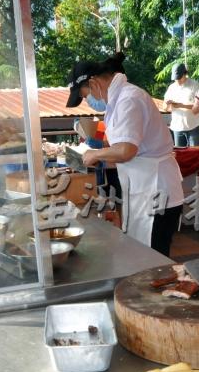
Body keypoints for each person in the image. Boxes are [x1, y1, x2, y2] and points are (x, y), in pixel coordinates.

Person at [66, 52, 184, 256]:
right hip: (144, 186)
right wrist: (101, 152)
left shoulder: (128, 99)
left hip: (156, 188)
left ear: (93, 83)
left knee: (154, 260)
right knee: (144, 255)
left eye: (85, 96)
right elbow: (122, 146)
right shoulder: (117, 100)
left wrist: (96, 154)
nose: (88, 101)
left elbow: (126, 150)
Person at [163, 63, 199, 147]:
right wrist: (167, 104)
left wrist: (181, 105)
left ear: (185, 74)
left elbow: (198, 107)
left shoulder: (194, 85)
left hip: (193, 126)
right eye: (175, 79)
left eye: (179, 78)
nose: (177, 80)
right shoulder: (172, 87)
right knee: (180, 155)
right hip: (177, 127)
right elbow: (164, 108)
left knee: (196, 153)